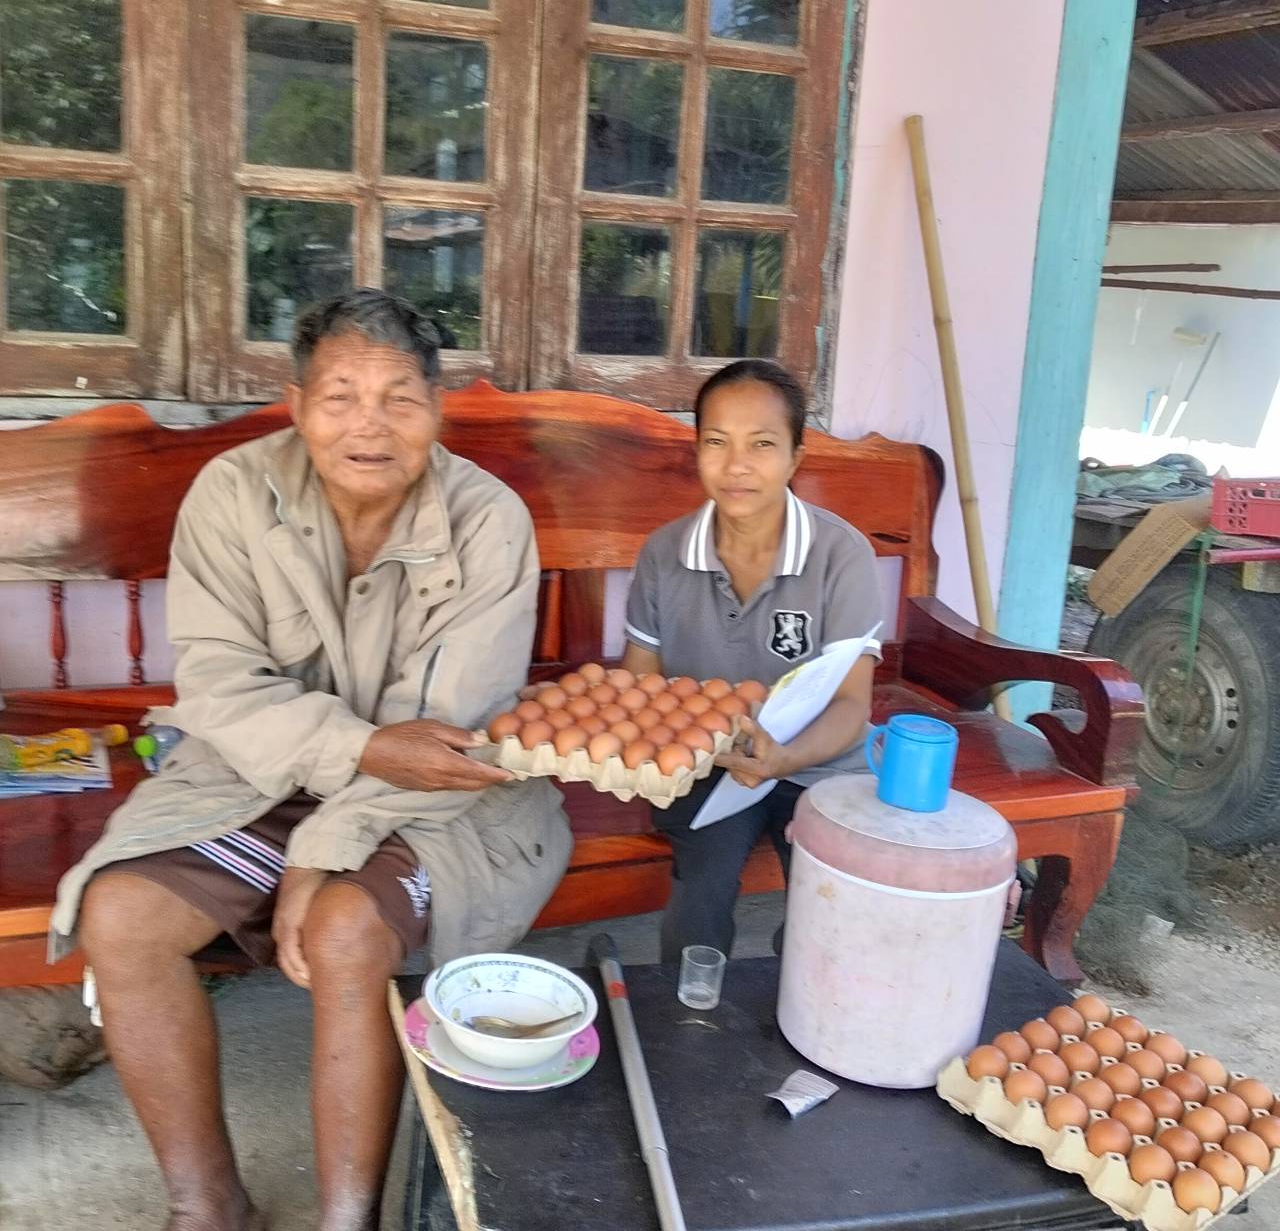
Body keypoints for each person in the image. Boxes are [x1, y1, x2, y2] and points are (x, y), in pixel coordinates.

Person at [49, 289, 572, 1231]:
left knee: (344, 929)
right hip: (254, 771)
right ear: (296, 406)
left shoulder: (487, 519)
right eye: (340, 397)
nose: (369, 425)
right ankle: (208, 1207)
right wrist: (348, 760)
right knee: (120, 914)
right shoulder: (233, 493)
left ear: (436, 410)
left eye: (400, 398)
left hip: (443, 790)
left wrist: (319, 856)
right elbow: (219, 683)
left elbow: (443, 735)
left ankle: (346, 1219)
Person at [621, 359, 881, 963]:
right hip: (707, 763)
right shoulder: (664, 553)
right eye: (717, 442)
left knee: (829, 903)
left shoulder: (840, 555)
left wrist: (785, 758)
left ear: (795, 457)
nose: (737, 465)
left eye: (761, 444)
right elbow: (640, 682)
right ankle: (692, 1008)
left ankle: (808, 1003)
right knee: (701, 897)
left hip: (818, 760)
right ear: (697, 450)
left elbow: (851, 705)